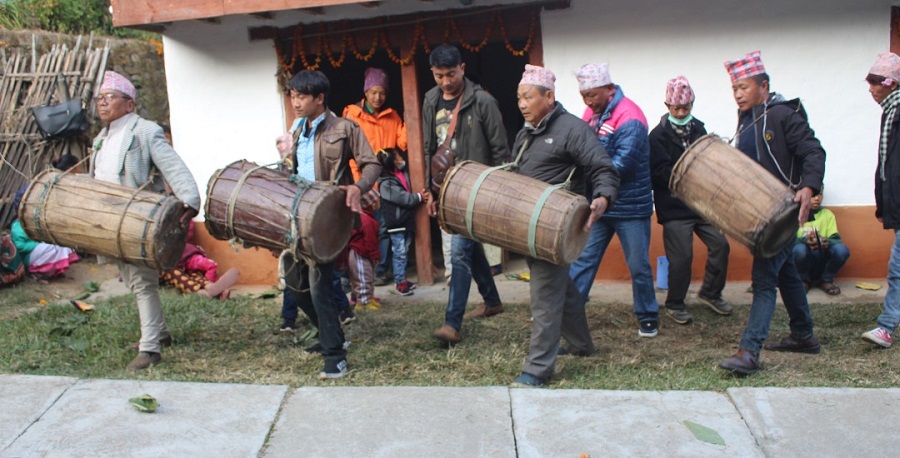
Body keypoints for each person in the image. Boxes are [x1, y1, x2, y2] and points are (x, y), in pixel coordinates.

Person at [509, 65, 619, 387]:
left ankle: (538, 369)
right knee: (564, 290)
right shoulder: (526, 133)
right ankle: (582, 344)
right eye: (519, 98)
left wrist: (602, 198)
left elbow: (603, 168)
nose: (522, 104)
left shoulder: (573, 129)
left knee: (545, 294)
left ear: (549, 96)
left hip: (554, 227)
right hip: (528, 224)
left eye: (528, 97)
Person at [719, 51, 825, 375]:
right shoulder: (747, 119)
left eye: (744, 87)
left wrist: (809, 186)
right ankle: (804, 335)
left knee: (764, 279)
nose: (737, 93)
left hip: (784, 212)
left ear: (763, 86)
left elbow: (813, 150)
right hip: (762, 213)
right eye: (734, 88)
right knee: (786, 271)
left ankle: (749, 352)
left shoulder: (781, 115)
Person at [90, 71, 200, 371]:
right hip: (110, 218)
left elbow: (173, 166)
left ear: (129, 104)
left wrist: (189, 199)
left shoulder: (144, 131)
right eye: (100, 99)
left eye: (109, 98)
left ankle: (150, 349)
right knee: (132, 277)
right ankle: (160, 333)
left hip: (137, 216)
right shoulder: (101, 138)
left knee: (141, 281)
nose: (102, 104)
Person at [276, 69, 381, 378]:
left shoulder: (346, 128)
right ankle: (329, 333)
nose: (295, 102)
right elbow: (290, 170)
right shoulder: (296, 130)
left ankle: (334, 356)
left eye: (302, 97)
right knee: (295, 283)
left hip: (328, 216)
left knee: (320, 283)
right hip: (299, 215)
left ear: (319, 99)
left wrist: (358, 188)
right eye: (292, 96)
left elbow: (372, 163)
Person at [422, 44, 508, 345]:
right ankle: (492, 300)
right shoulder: (430, 100)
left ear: (462, 67)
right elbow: (428, 148)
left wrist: (497, 191)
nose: (446, 81)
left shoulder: (482, 101)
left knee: (459, 250)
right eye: (438, 75)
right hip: (444, 190)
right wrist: (429, 192)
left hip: (475, 188)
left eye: (451, 74)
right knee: (469, 247)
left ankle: (451, 323)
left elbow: (500, 151)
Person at [568, 62, 660, 337]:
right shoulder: (590, 113)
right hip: (599, 204)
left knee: (638, 266)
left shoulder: (630, 117)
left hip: (629, 206)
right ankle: (568, 313)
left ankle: (647, 316)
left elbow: (621, 165)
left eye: (592, 95)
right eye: (584, 96)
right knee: (583, 259)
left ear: (609, 89)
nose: (587, 102)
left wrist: (587, 176)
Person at [649, 76, 732, 325]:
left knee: (720, 245)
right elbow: (660, 174)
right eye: (677, 108)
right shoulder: (657, 137)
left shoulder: (699, 129)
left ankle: (711, 293)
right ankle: (675, 303)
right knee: (682, 257)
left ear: (692, 105)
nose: (682, 112)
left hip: (700, 205)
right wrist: (689, 170)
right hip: (674, 208)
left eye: (686, 108)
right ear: (667, 106)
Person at [342, 67, 408, 287]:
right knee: (357, 227)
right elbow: (348, 153)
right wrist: (357, 183)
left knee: (384, 228)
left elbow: (404, 143)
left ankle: (380, 270)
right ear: (365, 92)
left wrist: (411, 119)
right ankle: (353, 271)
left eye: (382, 93)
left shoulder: (392, 117)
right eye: (373, 92)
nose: (378, 97)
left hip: (385, 183)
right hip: (360, 182)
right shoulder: (352, 115)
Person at [862, 52, 900, 348]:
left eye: (875, 82)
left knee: (897, 269)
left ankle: (886, 327)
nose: (871, 88)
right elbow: (887, 165)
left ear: (891, 83)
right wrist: (883, 205)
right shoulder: (890, 113)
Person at [378, 148, 430, 296]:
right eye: (399, 156)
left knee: (404, 250)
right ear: (393, 162)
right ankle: (399, 282)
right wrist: (419, 197)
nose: (402, 158)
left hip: (404, 221)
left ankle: (402, 279)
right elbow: (403, 198)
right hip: (396, 222)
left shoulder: (399, 174)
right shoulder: (386, 183)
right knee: (399, 252)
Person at [10, 187, 79, 282]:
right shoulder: (17, 225)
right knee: (52, 248)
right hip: (27, 257)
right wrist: (37, 244)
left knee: (61, 243)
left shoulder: (35, 221)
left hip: (38, 250)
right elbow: (19, 246)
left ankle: (52, 271)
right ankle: (35, 270)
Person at [159, 221, 240, 299]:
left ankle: (210, 287)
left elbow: (187, 234)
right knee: (177, 275)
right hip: (164, 265)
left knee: (194, 274)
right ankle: (202, 292)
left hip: (182, 259)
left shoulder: (181, 215)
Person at [792, 190, 850, 295]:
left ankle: (826, 279)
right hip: (804, 260)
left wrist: (826, 241)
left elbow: (836, 239)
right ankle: (803, 280)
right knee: (799, 250)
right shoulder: (795, 215)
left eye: (820, 194)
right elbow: (789, 242)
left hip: (822, 258)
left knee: (842, 250)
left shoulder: (827, 214)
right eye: (813, 195)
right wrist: (805, 241)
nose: (817, 198)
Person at [346, 207, 382, 310]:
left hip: (361, 253)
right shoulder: (365, 219)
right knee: (362, 278)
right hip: (359, 253)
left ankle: (367, 298)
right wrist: (375, 255)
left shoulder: (359, 217)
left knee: (367, 276)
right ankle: (363, 303)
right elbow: (370, 239)